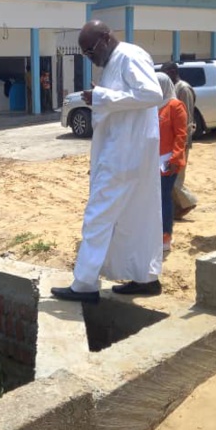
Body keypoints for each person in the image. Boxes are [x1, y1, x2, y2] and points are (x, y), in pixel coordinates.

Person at [50, 20, 163, 303]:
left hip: (124, 156)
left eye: (90, 51)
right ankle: (146, 278)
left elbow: (152, 94)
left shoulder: (129, 55)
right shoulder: (115, 61)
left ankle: (85, 284)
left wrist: (101, 96)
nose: (90, 58)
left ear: (105, 38)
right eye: (85, 54)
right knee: (136, 218)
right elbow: (122, 103)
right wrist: (98, 98)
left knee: (97, 217)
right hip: (126, 153)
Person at [161, 62, 198, 218]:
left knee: (175, 180)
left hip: (181, 141)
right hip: (170, 142)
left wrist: (183, 142)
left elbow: (186, 118)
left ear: (172, 71)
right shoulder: (171, 89)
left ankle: (188, 202)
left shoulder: (183, 89)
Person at [156, 72, 188, 253]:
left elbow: (181, 135)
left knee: (163, 197)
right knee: (154, 199)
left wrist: (174, 159)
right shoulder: (153, 106)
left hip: (167, 161)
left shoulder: (175, 106)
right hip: (152, 160)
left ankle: (166, 236)